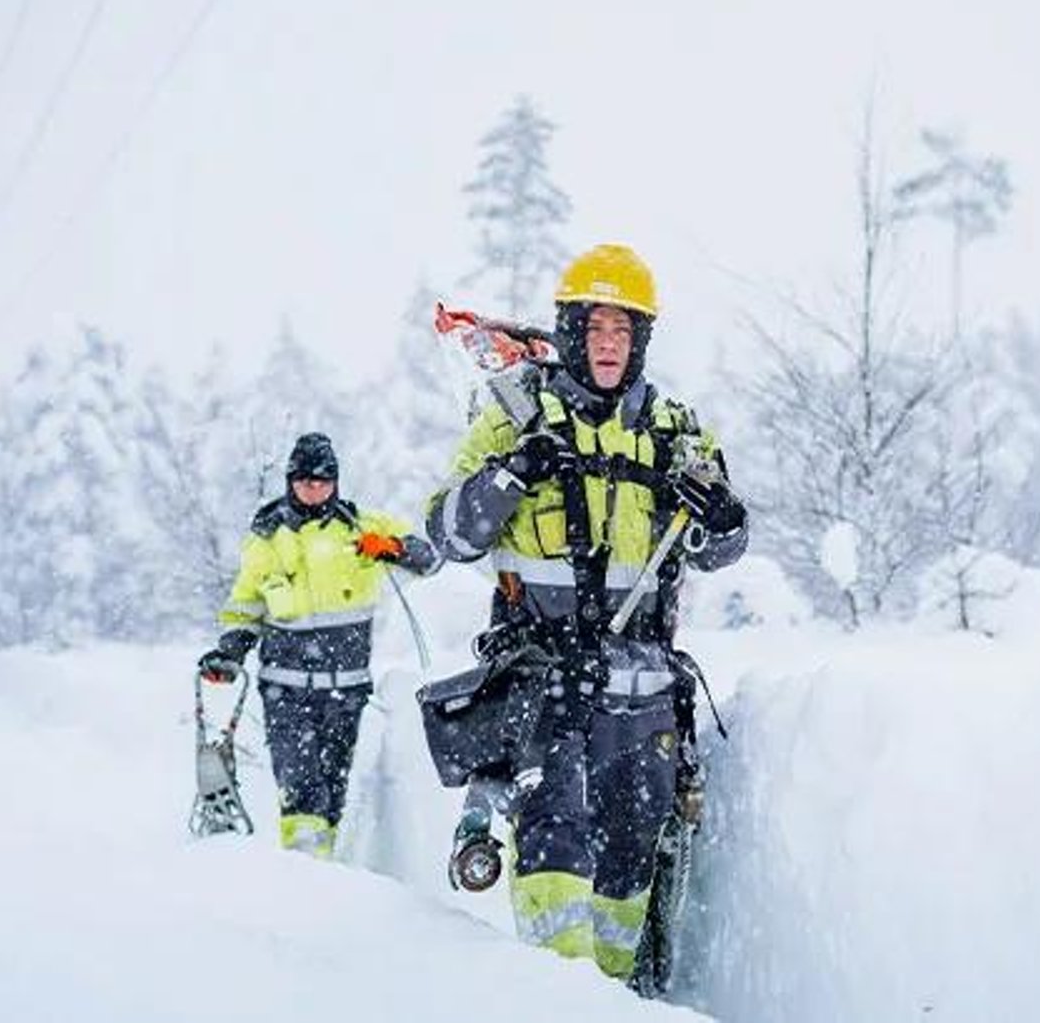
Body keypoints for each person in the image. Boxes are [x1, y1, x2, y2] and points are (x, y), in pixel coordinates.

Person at [423, 243, 748, 984]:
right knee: (556, 836)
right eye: (595, 328)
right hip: (544, 684)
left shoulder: (676, 432)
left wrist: (723, 517)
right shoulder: (515, 417)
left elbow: (721, 547)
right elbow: (448, 533)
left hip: (644, 689)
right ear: (571, 333)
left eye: (623, 332)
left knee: (631, 850)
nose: (608, 344)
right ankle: (554, 996)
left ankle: (616, 992)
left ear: (639, 343)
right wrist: (510, 475)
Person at [199, 431, 439, 858]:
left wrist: (392, 548)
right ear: (291, 481)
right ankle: (304, 871)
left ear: (336, 482)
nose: (314, 489)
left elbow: (428, 558)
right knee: (300, 789)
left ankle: (323, 874)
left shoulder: (362, 527)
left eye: (323, 480)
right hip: (285, 691)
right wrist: (230, 651)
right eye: (305, 480)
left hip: (346, 691)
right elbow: (246, 605)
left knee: (331, 791)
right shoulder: (268, 537)